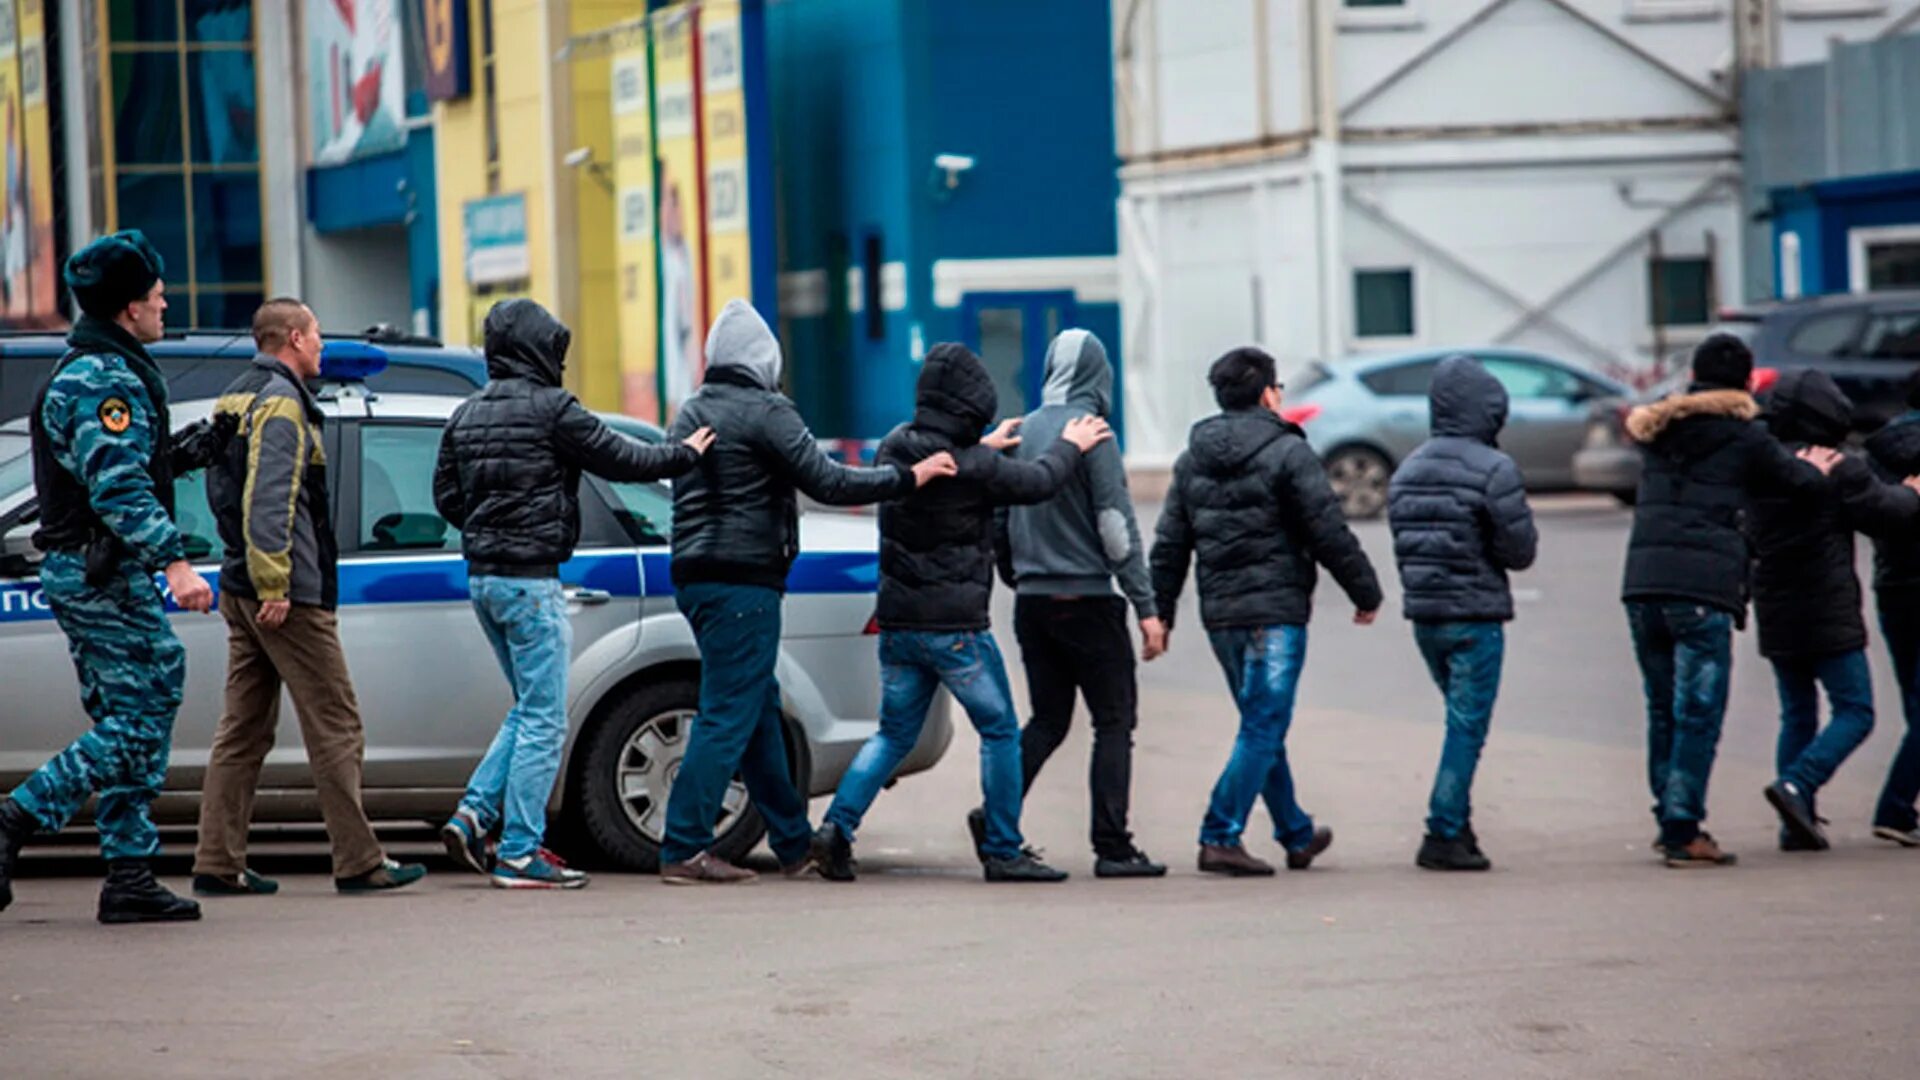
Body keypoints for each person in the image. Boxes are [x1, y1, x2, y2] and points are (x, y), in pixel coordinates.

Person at [658, 299, 955, 885]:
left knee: (757, 709)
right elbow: (827, 479)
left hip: (696, 577)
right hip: (745, 581)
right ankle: (684, 846)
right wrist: (907, 478)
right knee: (727, 713)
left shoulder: (690, 410)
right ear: (765, 358)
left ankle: (794, 845)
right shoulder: (768, 410)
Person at [434, 298, 711, 890]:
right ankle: (518, 851)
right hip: (532, 581)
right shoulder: (553, 409)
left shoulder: (466, 413)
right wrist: (686, 455)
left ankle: (474, 813)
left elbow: (447, 499)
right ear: (536, 349)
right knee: (545, 719)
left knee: (528, 709)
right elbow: (624, 458)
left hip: (482, 579)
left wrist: (490, 527)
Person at [813, 343, 1111, 883]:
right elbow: (1039, 481)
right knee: (1000, 731)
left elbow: (966, 462)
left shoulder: (895, 448)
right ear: (971, 407)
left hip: (899, 625)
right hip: (956, 632)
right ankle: (1002, 848)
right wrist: (1072, 444)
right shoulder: (975, 466)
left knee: (893, 735)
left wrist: (987, 445)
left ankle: (836, 828)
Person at [0, 230, 228, 923]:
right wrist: (177, 563)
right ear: (129, 306)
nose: (166, 302)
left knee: (129, 712)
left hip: (99, 569)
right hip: (102, 574)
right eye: (156, 292)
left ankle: (129, 874)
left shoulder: (106, 369)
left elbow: (117, 471)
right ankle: (16, 816)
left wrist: (184, 455)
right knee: (144, 708)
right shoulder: (103, 380)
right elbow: (117, 490)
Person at [191, 299, 428, 897]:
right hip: (284, 592)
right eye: (317, 334)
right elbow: (270, 499)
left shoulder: (237, 394)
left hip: (240, 582)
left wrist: (254, 577)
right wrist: (277, 583)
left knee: (243, 730)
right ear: (293, 338)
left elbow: (224, 489)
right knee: (337, 723)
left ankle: (218, 861)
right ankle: (360, 861)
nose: (322, 344)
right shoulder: (282, 403)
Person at [1149, 346, 1383, 877]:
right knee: (1264, 723)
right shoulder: (1288, 453)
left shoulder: (1191, 460)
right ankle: (1219, 835)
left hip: (1223, 616)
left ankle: (1295, 834)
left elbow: (1169, 545)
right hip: (1275, 612)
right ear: (1268, 393)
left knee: (1260, 723)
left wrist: (1159, 612)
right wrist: (1364, 593)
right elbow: (1328, 530)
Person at [1621, 333, 1838, 869]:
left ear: (1695, 375)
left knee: (1662, 709)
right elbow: (1798, 483)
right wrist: (1820, 468)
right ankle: (1682, 830)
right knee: (1698, 713)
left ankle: (1669, 818)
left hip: (1643, 583)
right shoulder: (1744, 436)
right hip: (1700, 591)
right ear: (1745, 382)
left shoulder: (1655, 430)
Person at [994, 329, 1167, 879]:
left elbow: (1000, 517)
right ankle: (1113, 847)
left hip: (1034, 602)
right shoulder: (1092, 434)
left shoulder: (1019, 430)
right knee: (1113, 722)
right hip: (1088, 600)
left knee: (1046, 720)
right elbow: (1115, 529)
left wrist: (1017, 575)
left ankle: (996, 815)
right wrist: (1146, 606)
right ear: (1101, 375)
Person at [1751, 370, 1920, 851]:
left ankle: (1795, 823)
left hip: (1775, 603)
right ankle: (1797, 785)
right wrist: (1912, 492)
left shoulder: (1764, 465)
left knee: (1797, 711)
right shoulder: (1837, 469)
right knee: (1856, 710)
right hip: (1826, 604)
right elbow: (1883, 512)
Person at [1386, 356, 1537, 872]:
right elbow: (1520, 551)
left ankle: (1461, 827)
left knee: (1458, 719)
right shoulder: (1494, 469)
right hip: (1475, 614)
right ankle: (1443, 831)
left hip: (1425, 616)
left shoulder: (1407, 468)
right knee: (1467, 727)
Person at [1863, 371, 1920, 847]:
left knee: (1914, 703)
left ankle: (1903, 805)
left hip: (1894, 584)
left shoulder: (1881, 449)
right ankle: (1896, 807)